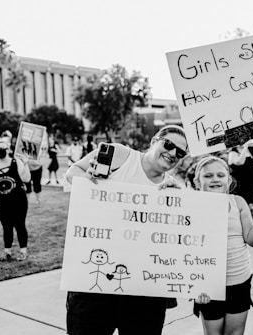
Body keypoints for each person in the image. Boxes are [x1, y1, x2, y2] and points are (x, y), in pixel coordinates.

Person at [65, 125, 189, 335]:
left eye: (180, 152)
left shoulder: (174, 188)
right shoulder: (120, 155)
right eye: (168, 145)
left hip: (145, 292)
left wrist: (179, 204)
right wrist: (88, 179)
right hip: (95, 282)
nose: (172, 154)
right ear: (153, 141)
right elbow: (72, 173)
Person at [192, 156, 253, 335]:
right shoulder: (191, 206)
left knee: (235, 333)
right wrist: (195, 286)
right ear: (197, 181)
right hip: (208, 284)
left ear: (228, 180)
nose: (215, 179)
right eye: (208, 176)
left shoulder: (238, 202)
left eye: (220, 175)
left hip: (239, 280)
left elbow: (252, 239)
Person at [0, 137, 31, 262]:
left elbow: (26, 179)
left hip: (18, 200)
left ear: (8, 149)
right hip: (2, 202)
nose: (1, 150)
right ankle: (7, 252)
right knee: (6, 227)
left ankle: (23, 251)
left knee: (20, 225)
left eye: (3, 148)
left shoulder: (16, 162)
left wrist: (25, 163)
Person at [227, 141, 253, 211]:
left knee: (251, 198)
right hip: (241, 182)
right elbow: (240, 162)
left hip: (250, 180)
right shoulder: (232, 153)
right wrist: (245, 148)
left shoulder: (249, 151)